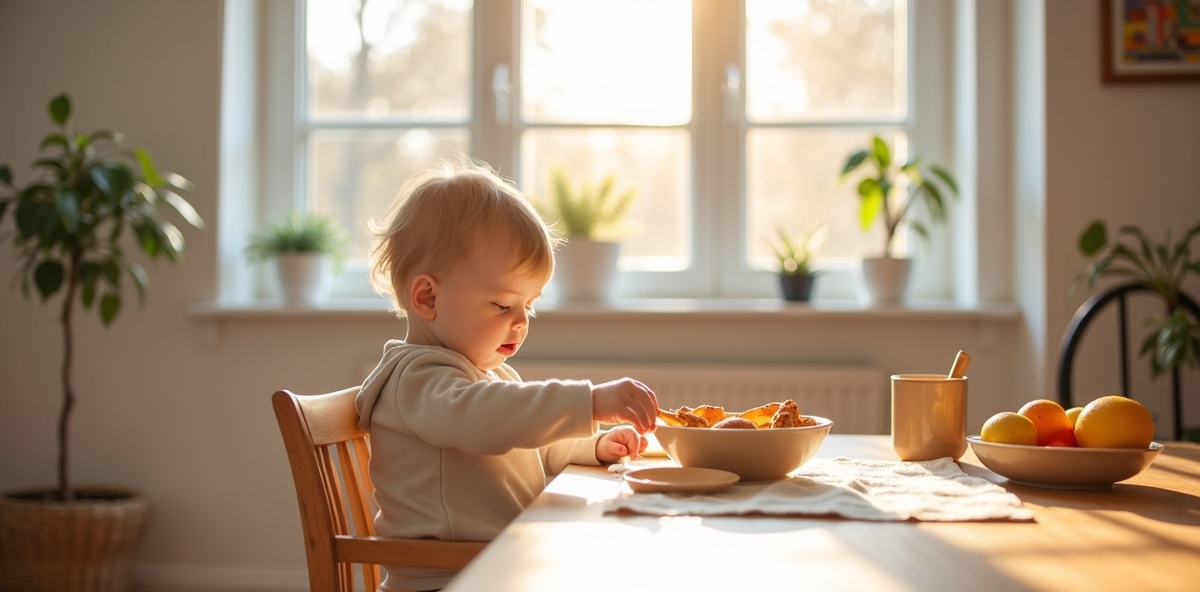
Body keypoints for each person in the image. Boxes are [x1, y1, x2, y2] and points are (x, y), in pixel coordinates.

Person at [356, 158, 659, 592]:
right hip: (446, 578)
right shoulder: (416, 380)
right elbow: (485, 420)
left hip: (496, 568)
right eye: (503, 305)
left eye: (529, 306)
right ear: (428, 297)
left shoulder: (487, 377)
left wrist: (592, 445)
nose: (521, 322)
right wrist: (588, 401)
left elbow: (528, 444)